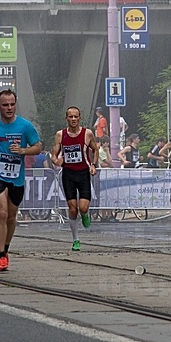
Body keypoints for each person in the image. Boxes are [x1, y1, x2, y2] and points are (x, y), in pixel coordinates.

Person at [0, 90, 42, 272]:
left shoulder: (25, 126)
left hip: (16, 176)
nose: (9, 108)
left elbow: (38, 147)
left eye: (12, 104)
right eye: (5, 105)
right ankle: (0, 256)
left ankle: (6, 249)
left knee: (11, 215)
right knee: (1, 211)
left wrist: (23, 151)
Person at [51, 106, 99, 251]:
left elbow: (95, 149)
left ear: (79, 118)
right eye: (70, 116)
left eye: (75, 116)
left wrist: (93, 165)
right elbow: (53, 154)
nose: (73, 119)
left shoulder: (87, 133)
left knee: (83, 207)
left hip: (83, 173)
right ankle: (75, 239)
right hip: (68, 174)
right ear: (66, 118)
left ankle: (85, 214)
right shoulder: (61, 134)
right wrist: (56, 161)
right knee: (72, 208)